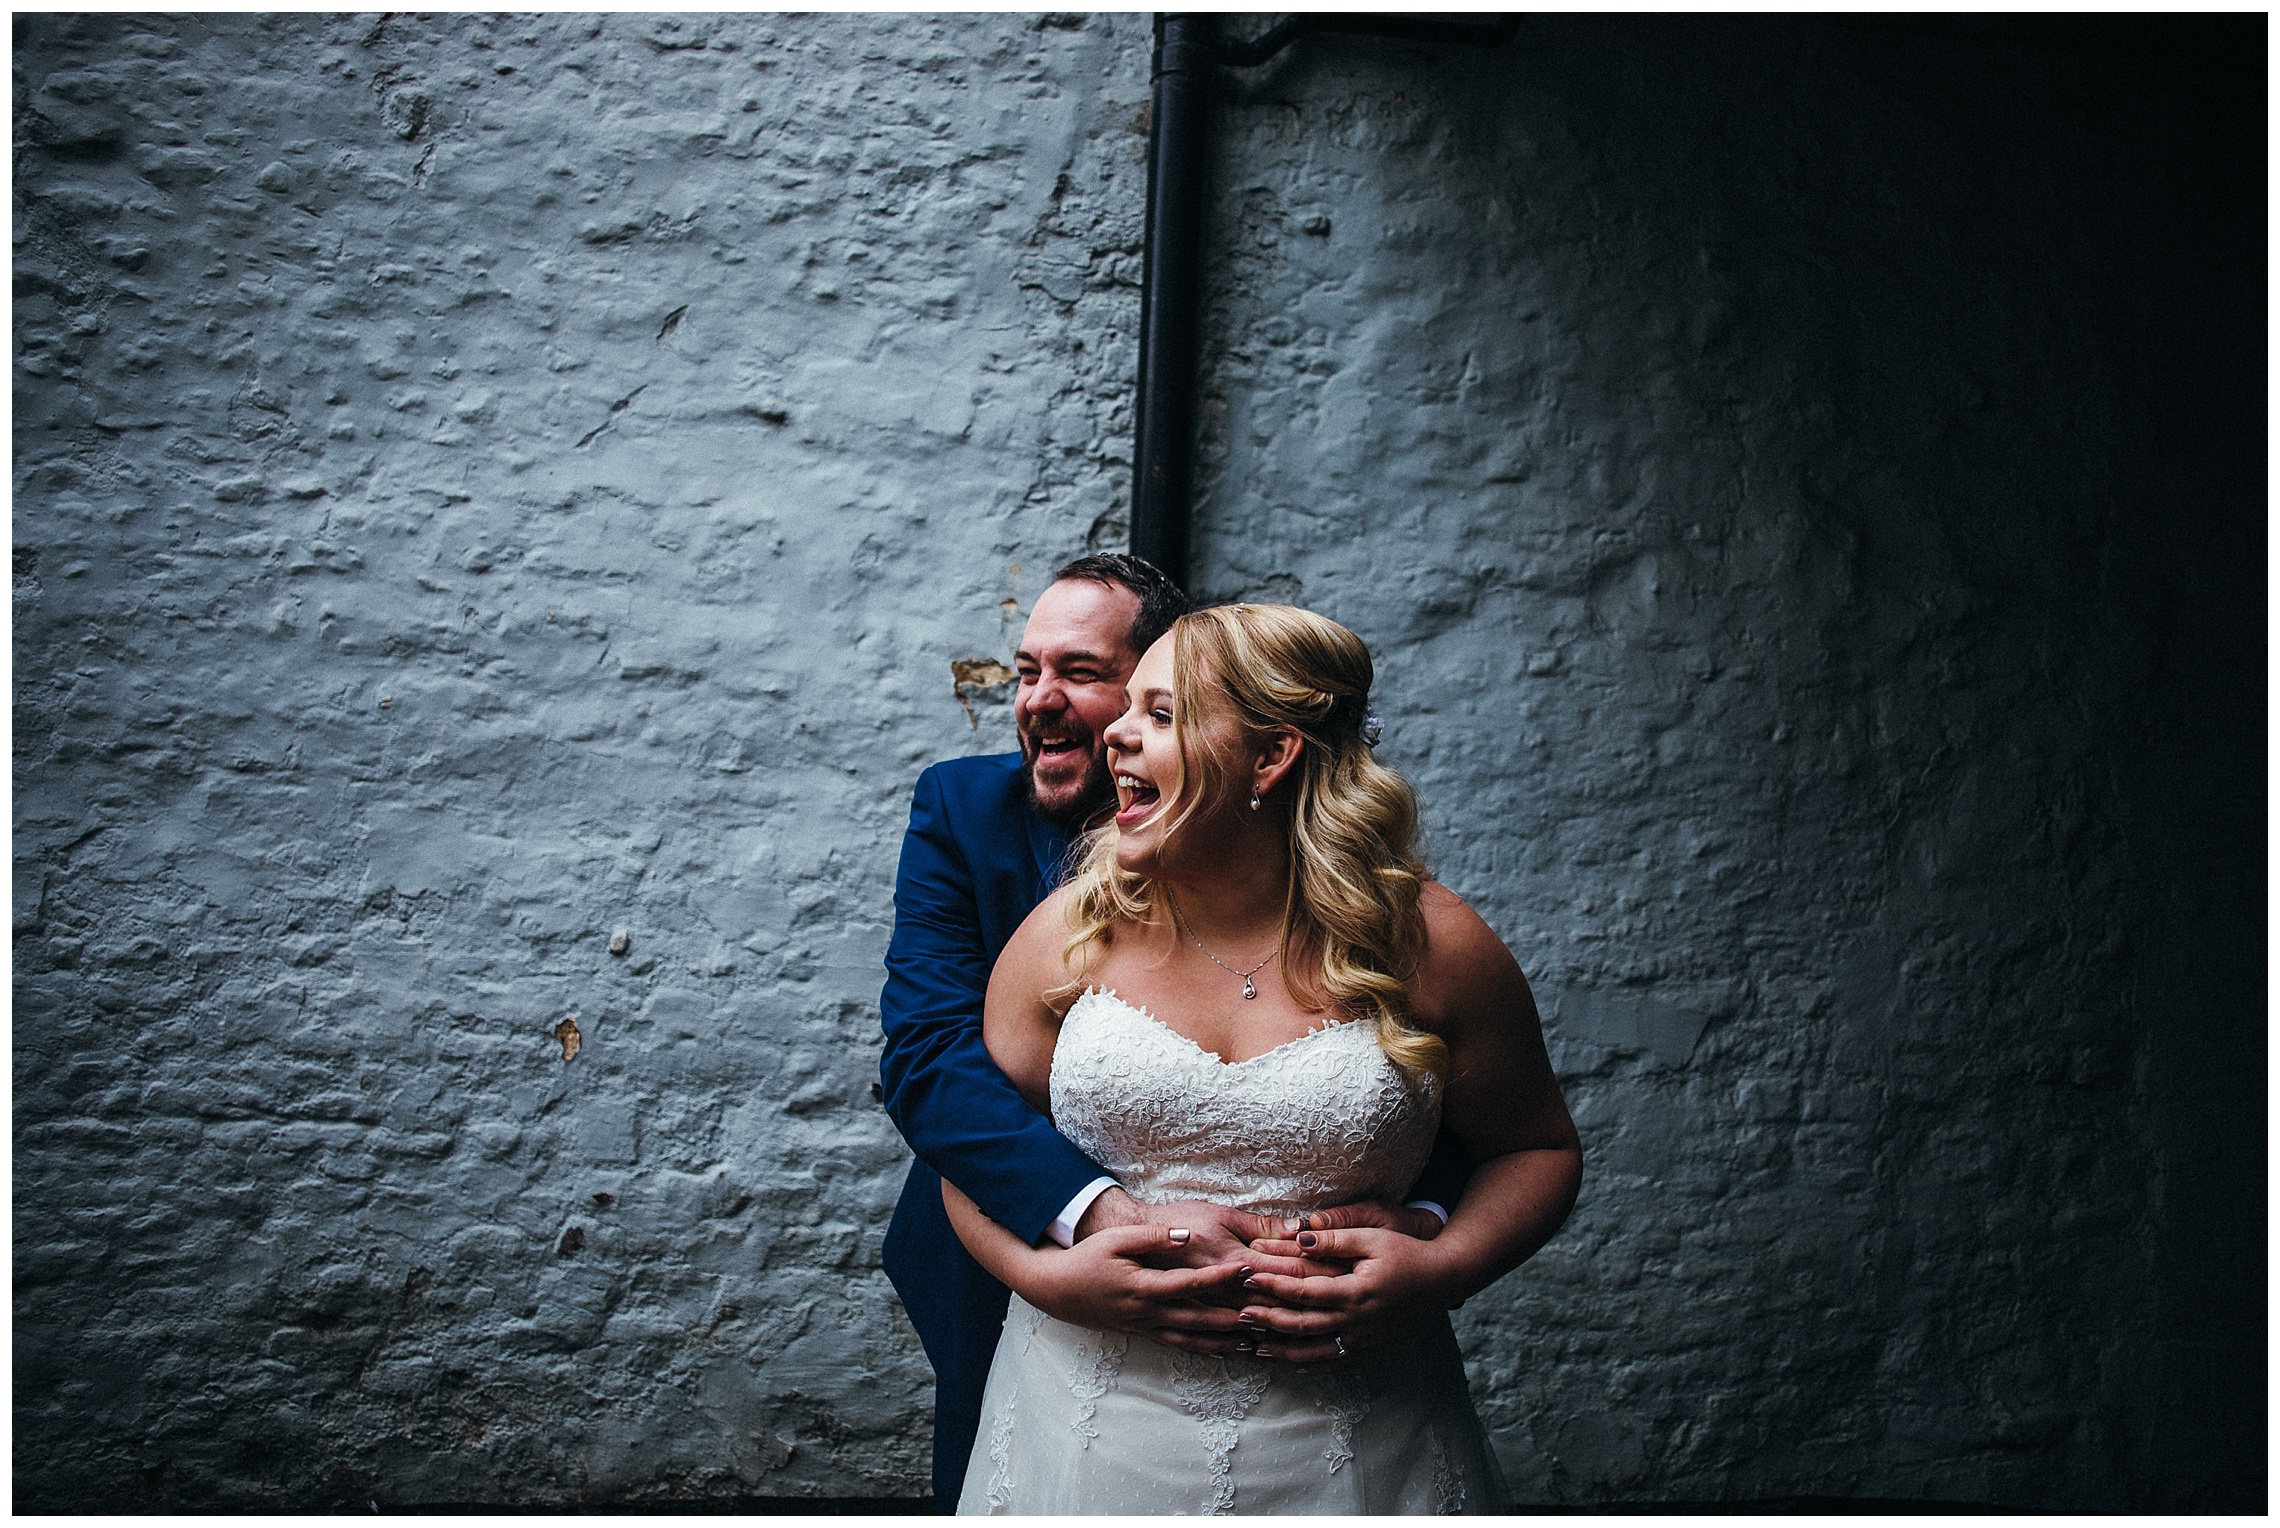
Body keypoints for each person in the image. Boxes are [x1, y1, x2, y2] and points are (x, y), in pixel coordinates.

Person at [941, 603, 1582, 1514]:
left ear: (1271, 757)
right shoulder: (1067, 935)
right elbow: (971, 1155)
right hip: (1084, 1423)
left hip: (1361, 1431)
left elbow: (1537, 1150)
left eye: (1160, 715)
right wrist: (1046, 1276)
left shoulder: (1432, 944)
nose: (1116, 732)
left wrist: (1442, 1269)